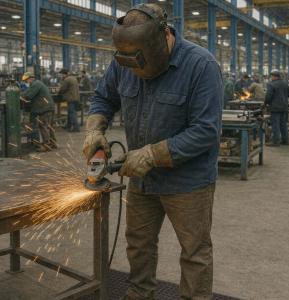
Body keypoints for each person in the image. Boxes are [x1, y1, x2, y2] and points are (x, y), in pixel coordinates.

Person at [83, 4, 223, 300]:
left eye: (139, 63)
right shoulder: (122, 61)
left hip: (188, 183)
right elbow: (103, 98)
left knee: (194, 252)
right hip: (142, 181)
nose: (134, 70)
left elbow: (207, 130)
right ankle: (139, 294)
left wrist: (151, 154)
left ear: (163, 38)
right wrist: (95, 128)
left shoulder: (201, 65)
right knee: (138, 243)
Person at [21, 72, 57, 152]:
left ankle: (47, 145)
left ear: (30, 78)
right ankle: (53, 143)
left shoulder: (36, 84)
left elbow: (29, 95)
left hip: (45, 108)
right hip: (47, 107)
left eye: (26, 80)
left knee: (43, 125)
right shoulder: (36, 84)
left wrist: (19, 95)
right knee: (48, 126)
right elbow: (27, 92)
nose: (26, 82)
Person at [265, 69, 289, 146]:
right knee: (283, 124)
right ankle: (285, 140)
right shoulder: (285, 83)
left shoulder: (271, 84)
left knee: (275, 124)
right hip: (284, 107)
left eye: (271, 76)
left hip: (275, 108)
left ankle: (275, 141)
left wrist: (266, 103)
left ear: (274, 76)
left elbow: (268, 96)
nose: (271, 78)